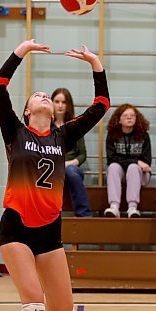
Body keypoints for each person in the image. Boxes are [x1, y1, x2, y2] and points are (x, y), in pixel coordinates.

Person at [0, 39, 109, 311]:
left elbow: (101, 106)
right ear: (27, 111)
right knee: (32, 304)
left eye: (47, 96)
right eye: (37, 95)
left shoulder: (63, 134)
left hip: (49, 232)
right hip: (16, 227)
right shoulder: (16, 132)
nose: (43, 96)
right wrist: (21, 52)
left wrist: (95, 63)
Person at [104, 103, 152, 218]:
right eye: (125, 115)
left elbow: (146, 162)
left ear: (137, 118)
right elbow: (111, 159)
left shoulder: (143, 136)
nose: (129, 118)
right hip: (119, 174)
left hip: (140, 175)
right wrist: (135, 161)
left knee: (133, 168)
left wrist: (134, 163)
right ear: (119, 120)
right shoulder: (112, 135)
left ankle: (132, 208)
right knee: (113, 167)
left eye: (132, 115)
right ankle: (114, 207)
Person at [51, 87, 92, 217]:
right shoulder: (45, 126)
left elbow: (82, 155)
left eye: (64, 102)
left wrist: (69, 163)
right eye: (57, 101)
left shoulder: (74, 126)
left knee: (71, 172)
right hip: (50, 168)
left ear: (68, 105)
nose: (60, 105)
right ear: (51, 103)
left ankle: (84, 215)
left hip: (70, 168)